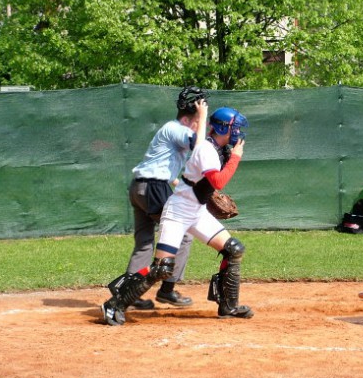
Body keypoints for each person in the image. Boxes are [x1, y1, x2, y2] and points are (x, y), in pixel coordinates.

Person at [101, 105, 253, 326]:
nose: (238, 133)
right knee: (162, 267)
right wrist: (236, 158)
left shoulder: (218, 149)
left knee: (233, 250)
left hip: (197, 211)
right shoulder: (207, 150)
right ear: (221, 129)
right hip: (179, 211)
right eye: (234, 128)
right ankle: (114, 304)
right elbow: (218, 181)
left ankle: (228, 306)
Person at [123, 86, 209, 310]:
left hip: (139, 187)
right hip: (152, 187)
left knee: (144, 244)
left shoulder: (169, 130)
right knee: (183, 234)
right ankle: (167, 290)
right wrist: (203, 116)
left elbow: (165, 169)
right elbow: (198, 147)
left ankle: (129, 294)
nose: (201, 127)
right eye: (198, 123)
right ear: (189, 120)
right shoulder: (175, 128)